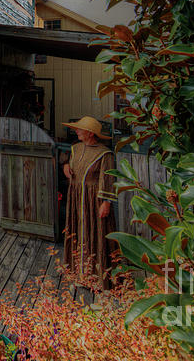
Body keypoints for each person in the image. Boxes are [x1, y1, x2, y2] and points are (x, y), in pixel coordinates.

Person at [60, 116, 117, 288]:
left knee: (96, 232)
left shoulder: (105, 154)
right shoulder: (76, 148)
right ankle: (78, 272)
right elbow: (69, 164)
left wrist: (106, 202)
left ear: (90, 134)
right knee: (77, 230)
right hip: (76, 198)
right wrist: (65, 167)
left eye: (80, 129)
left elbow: (108, 179)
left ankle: (97, 277)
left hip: (94, 200)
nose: (76, 131)